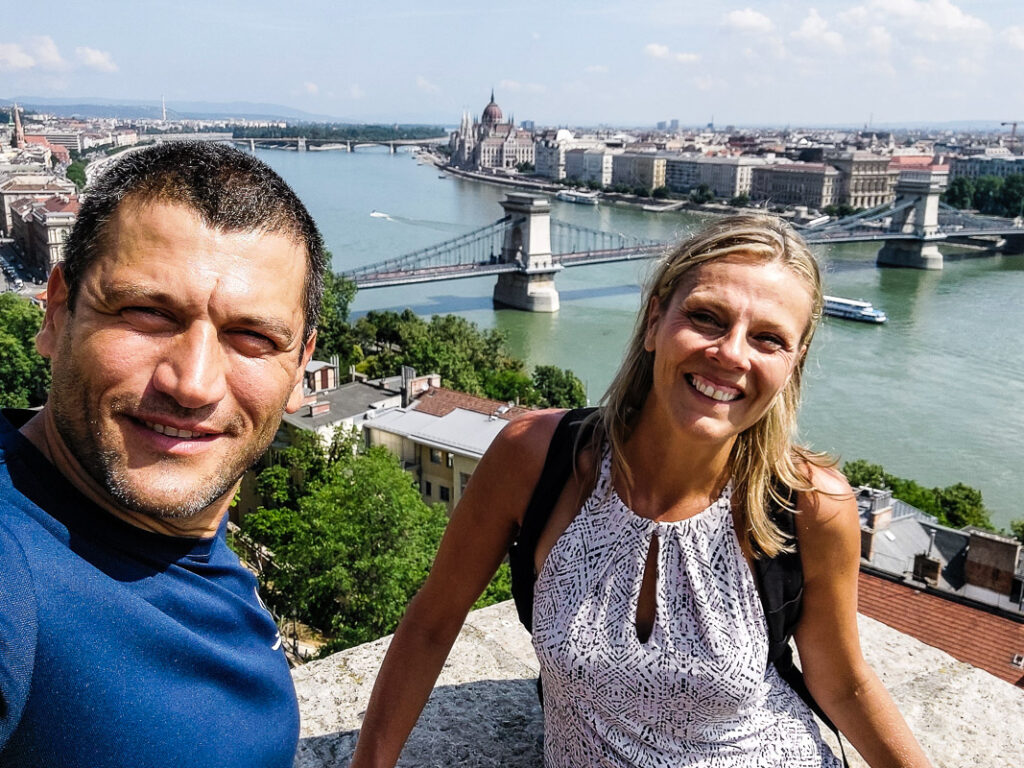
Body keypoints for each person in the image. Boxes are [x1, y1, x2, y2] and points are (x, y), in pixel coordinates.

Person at [350, 215, 933, 767]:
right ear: (655, 321)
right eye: (707, 317)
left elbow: (845, 683)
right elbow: (432, 621)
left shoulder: (809, 504)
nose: (731, 354)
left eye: (768, 339)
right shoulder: (535, 458)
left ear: (793, 362)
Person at [0, 141, 326, 767]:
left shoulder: (178, 539)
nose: (193, 383)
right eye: (147, 313)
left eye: (252, 336)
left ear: (301, 365)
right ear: (57, 310)